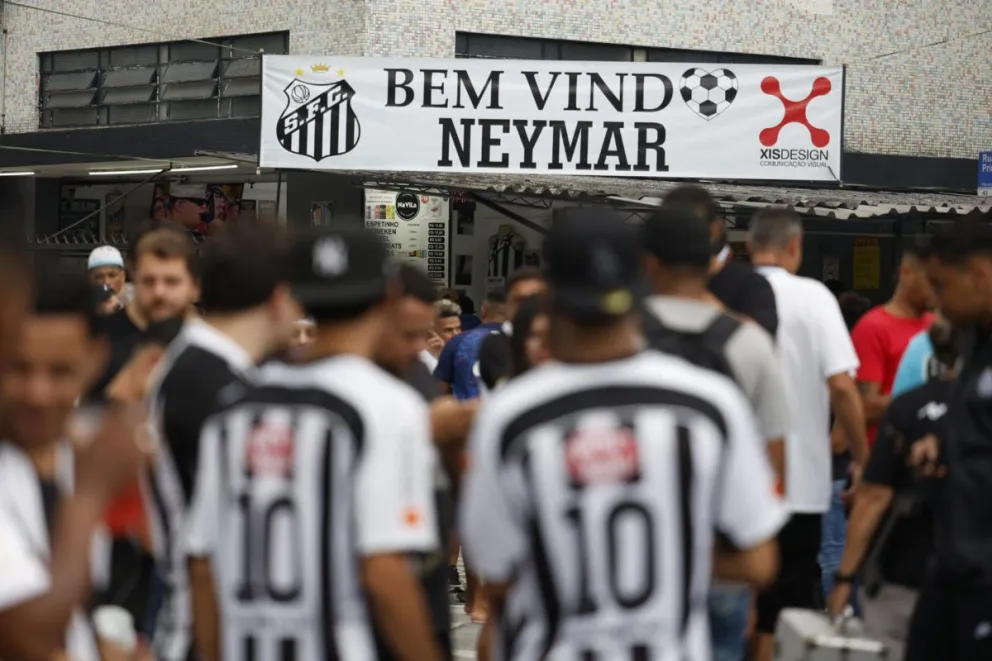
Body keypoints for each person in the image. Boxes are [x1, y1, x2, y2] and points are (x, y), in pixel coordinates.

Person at [461, 207, 785, 661]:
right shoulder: (707, 405)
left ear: (553, 295)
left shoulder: (512, 417)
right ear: (640, 282)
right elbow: (758, 560)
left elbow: (497, 574)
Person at [186, 229, 443, 661]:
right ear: (389, 295)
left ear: (293, 297)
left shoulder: (235, 406)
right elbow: (384, 571)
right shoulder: (387, 405)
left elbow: (203, 565)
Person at [641, 208, 790, 661]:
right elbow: (773, 461)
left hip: (631, 561)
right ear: (713, 260)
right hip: (723, 561)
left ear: (648, 262)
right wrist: (753, 570)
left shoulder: (618, 337)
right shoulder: (748, 342)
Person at [144, 222, 298, 661]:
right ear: (279, 297)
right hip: (203, 631)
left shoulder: (209, 369)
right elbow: (210, 545)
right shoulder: (211, 383)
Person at [0, 264, 149, 661]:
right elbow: (29, 638)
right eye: (19, 369)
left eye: (60, 372)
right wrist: (89, 496)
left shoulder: (73, 455)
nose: (38, 394)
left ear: (95, 359)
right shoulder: (90, 477)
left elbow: (72, 612)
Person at [746, 208, 868, 661]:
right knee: (786, 604)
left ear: (751, 245)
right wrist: (861, 456)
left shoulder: (728, 292)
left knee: (736, 599)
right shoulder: (813, 297)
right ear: (795, 246)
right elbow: (841, 384)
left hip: (736, 482)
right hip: (800, 484)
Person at [827, 318, 957, 660]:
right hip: (971, 576)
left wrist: (844, 579)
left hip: (903, 571)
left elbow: (874, 496)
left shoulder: (909, 406)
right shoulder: (978, 410)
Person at [902, 219, 992, 660]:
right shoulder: (973, 341)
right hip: (952, 560)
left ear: (978, 273)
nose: (936, 302)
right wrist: (941, 446)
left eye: (941, 285)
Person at [86, 226, 200, 404]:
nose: (159, 292)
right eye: (148, 281)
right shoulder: (99, 342)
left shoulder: (209, 346)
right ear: (134, 280)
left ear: (195, 288)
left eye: (172, 281)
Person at [850, 242, 936, 448]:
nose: (938, 290)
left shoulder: (938, 326)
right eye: (932, 281)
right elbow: (864, 407)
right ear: (907, 274)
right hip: (887, 458)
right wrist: (931, 396)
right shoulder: (872, 327)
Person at [662, 185, 778, 337]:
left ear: (714, 229)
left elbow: (763, 341)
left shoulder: (749, 285)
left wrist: (705, 304)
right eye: (672, 229)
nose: (683, 236)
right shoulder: (648, 279)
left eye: (694, 227)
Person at [433, 289, 508, 399]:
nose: (455, 333)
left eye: (458, 328)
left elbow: (438, 391)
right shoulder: (522, 343)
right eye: (448, 330)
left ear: (483, 311)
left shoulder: (458, 342)